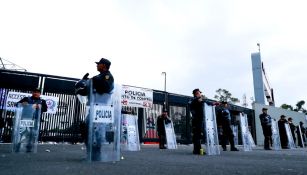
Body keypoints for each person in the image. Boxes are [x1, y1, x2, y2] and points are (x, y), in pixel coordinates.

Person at [189, 88, 219, 155]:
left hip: (198, 120)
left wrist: (213, 103)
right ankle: (198, 150)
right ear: (196, 94)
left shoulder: (197, 100)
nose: (200, 94)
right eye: (199, 93)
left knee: (197, 135)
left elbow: (206, 102)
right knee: (197, 135)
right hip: (197, 120)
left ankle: (196, 150)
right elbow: (203, 102)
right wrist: (213, 103)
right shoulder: (195, 100)